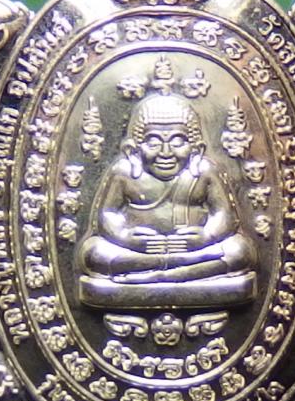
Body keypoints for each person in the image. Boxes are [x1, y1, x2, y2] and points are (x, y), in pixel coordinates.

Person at [77, 94, 257, 307]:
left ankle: (158, 275)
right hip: (139, 251)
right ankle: (182, 272)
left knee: (239, 250)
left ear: (196, 149)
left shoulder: (205, 172)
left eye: (177, 141)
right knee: (93, 252)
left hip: (193, 251)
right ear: (133, 150)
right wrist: (125, 237)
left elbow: (224, 215)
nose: (165, 152)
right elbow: (107, 214)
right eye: (153, 142)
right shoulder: (124, 172)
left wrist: (207, 236)